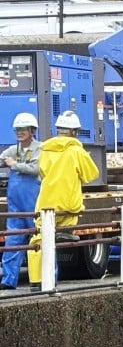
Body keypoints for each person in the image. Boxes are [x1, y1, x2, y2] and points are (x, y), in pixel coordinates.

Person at [27, 110, 100, 289]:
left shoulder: (44, 150)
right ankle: (65, 232)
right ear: (75, 131)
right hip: (69, 206)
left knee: (37, 241)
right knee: (63, 229)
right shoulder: (76, 151)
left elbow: (41, 172)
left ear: (58, 129)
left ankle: (36, 281)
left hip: (45, 203)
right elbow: (92, 174)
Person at [0, 112, 42, 289]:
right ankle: (8, 281)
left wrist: (14, 165)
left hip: (34, 204)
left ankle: (43, 279)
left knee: (40, 241)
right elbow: (3, 159)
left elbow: (35, 168)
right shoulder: (13, 150)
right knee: (13, 242)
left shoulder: (41, 148)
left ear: (32, 131)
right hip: (16, 207)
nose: (19, 132)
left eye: (23, 129)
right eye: (17, 129)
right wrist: (5, 161)